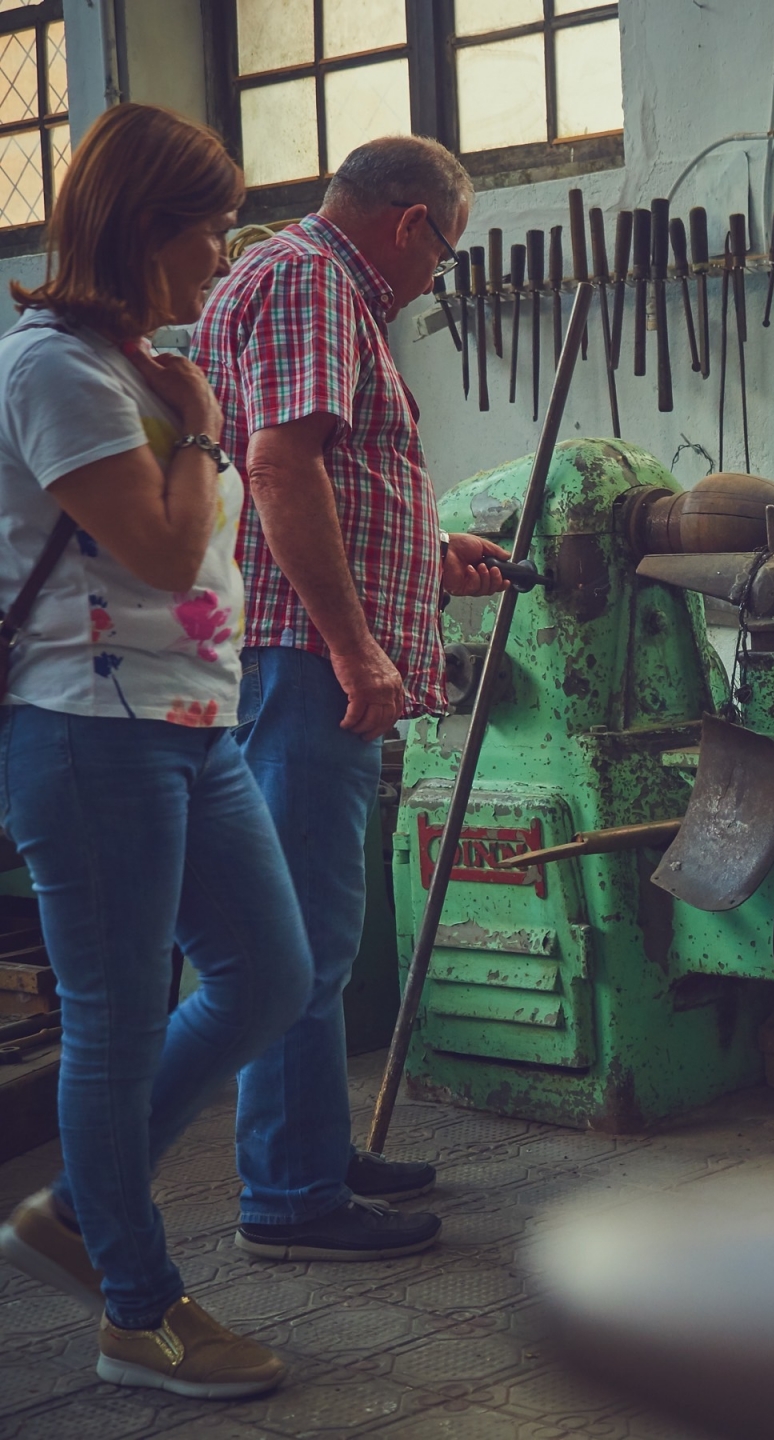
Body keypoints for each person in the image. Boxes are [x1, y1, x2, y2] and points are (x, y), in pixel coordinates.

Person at [0, 104, 308, 1398]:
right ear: (146, 230)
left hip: (190, 724)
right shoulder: (55, 369)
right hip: (90, 735)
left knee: (269, 975)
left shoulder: (141, 365)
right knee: (116, 1031)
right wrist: (195, 422)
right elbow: (166, 551)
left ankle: (77, 1205)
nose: (225, 253)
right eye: (211, 227)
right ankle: (138, 1309)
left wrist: (185, 407)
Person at [192, 136, 509, 1261]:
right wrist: (354, 646)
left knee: (316, 926)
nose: (435, 280)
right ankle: (289, 1195)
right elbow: (281, 468)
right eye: (445, 254)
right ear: (413, 223)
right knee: (303, 933)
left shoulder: (299, 283)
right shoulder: (315, 280)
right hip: (300, 658)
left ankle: (312, 1148)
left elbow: (333, 477)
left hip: (297, 648)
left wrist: (425, 549)